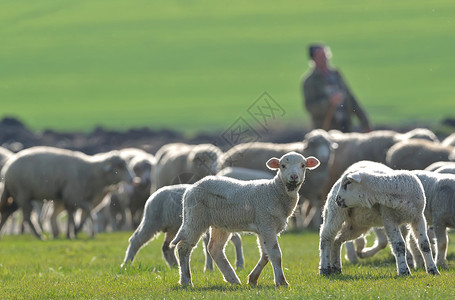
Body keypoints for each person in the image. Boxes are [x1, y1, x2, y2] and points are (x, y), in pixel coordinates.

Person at [302, 44, 371, 132]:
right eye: (320, 56)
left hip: (345, 125)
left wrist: (365, 123)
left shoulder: (336, 74)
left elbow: (351, 98)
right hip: (326, 128)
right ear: (313, 59)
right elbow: (310, 107)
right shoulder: (310, 81)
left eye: (325, 55)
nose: (324, 59)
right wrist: (329, 103)